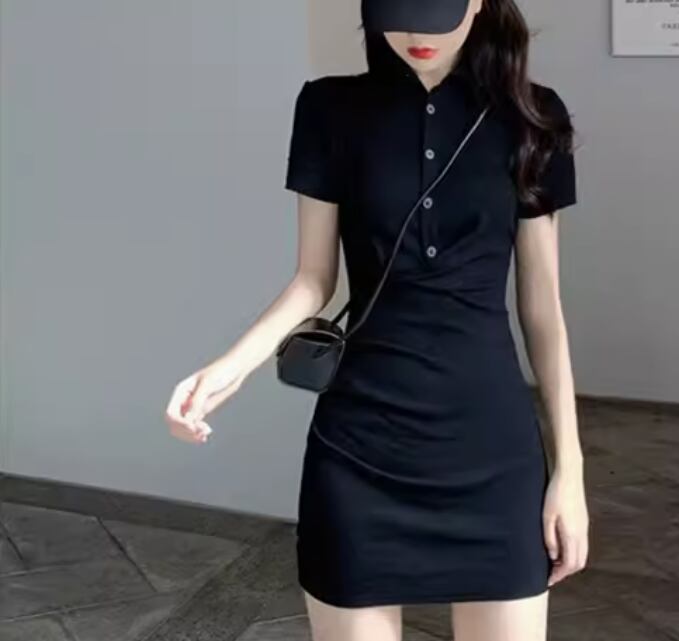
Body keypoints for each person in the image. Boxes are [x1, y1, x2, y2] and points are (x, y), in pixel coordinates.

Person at [164, 0, 589, 639]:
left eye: (436, 11)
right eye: (398, 11)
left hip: (493, 453)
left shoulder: (532, 116)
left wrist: (570, 473)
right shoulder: (329, 108)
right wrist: (228, 369)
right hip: (359, 453)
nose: (416, 34)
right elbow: (313, 279)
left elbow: (543, 309)